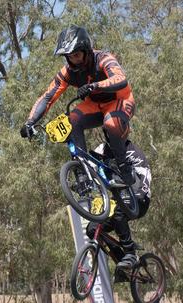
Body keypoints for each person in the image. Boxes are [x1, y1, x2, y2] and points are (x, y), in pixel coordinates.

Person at [21, 25, 137, 186]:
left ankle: (124, 167)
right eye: (70, 56)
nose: (74, 59)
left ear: (86, 50)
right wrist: (30, 121)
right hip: (95, 104)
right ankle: (84, 171)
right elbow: (48, 97)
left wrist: (95, 86)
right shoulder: (67, 72)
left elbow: (120, 79)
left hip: (120, 100)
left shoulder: (103, 58)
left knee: (111, 123)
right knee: (72, 121)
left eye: (77, 54)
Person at [86, 140, 151, 270]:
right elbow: (90, 166)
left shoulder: (131, 150)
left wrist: (141, 192)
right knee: (92, 229)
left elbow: (145, 173)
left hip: (139, 199)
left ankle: (130, 253)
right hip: (118, 200)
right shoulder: (102, 148)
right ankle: (122, 261)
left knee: (119, 213)